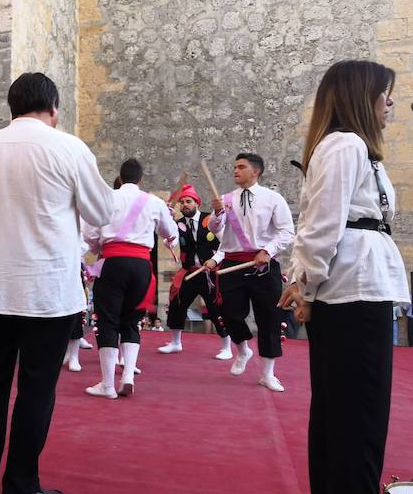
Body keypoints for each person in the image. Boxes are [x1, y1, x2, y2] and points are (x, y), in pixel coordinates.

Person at [0, 72, 126, 494]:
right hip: (47, 288)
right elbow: (102, 210)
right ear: (53, 108)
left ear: (12, 107)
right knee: (36, 387)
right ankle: (20, 486)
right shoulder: (67, 146)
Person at [278, 60, 407, 494]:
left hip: (354, 288)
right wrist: (306, 286)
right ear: (361, 97)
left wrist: (307, 284)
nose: (390, 103)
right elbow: (320, 225)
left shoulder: (350, 148)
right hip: (353, 292)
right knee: (359, 418)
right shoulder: (346, 145)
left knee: (342, 414)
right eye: (384, 94)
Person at [82, 158, 178, 399]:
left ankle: (107, 385)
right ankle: (127, 376)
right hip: (141, 265)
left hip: (113, 262)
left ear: (120, 177)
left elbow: (90, 235)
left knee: (108, 320)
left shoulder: (106, 198)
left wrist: (99, 247)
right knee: (132, 319)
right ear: (140, 179)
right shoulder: (154, 202)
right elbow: (171, 234)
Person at [206, 154, 294, 392]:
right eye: (235, 166)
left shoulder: (273, 198)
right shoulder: (226, 200)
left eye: (241, 167)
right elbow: (214, 229)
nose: (236, 170)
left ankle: (268, 374)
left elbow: (287, 231)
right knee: (229, 312)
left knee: (269, 318)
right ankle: (243, 349)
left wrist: (268, 250)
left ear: (256, 171)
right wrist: (217, 214)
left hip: (264, 265)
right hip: (232, 263)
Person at [158, 184, 232, 359]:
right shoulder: (178, 224)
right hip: (189, 271)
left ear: (197, 203)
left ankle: (226, 347)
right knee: (176, 303)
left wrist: (214, 260)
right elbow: (171, 242)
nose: (185, 204)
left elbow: (226, 244)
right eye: (182, 202)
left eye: (188, 201)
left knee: (216, 309)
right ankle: (176, 343)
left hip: (210, 274)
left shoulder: (211, 220)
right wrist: (168, 229)